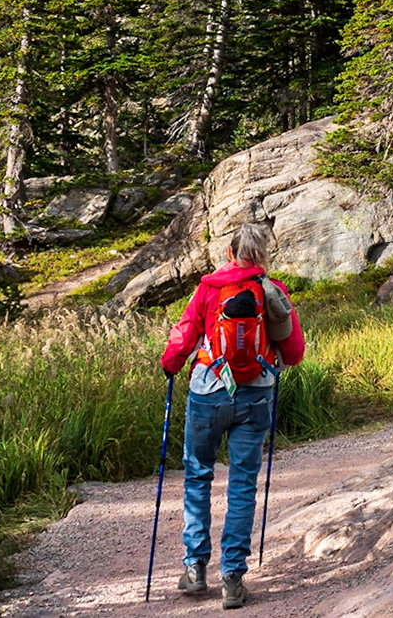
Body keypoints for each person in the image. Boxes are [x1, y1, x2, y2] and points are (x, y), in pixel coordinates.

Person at [161, 222, 307, 609]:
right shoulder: (271, 290)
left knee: (198, 475)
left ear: (230, 252)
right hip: (255, 394)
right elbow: (293, 352)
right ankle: (232, 578)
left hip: (208, 391)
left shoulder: (208, 289)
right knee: (242, 485)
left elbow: (184, 335)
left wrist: (170, 364)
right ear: (262, 255)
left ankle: (194, 569)